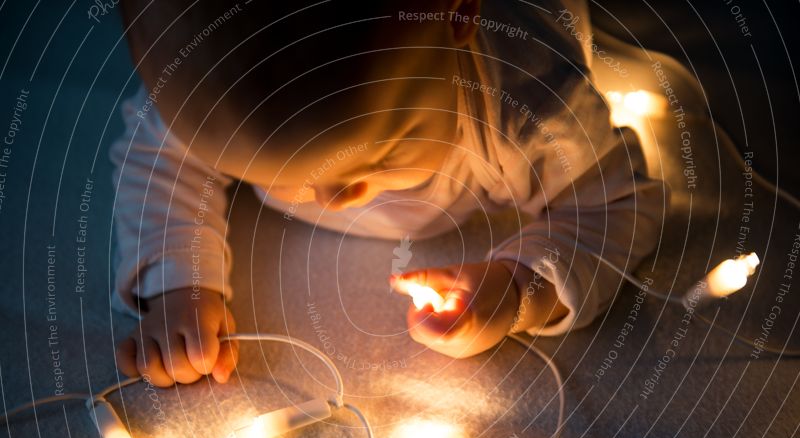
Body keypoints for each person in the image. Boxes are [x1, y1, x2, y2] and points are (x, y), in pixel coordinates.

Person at [110, 0, 667, 387]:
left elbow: (616, 204)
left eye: (380, 155)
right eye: (279, 174)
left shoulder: (529, 107)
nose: (338, 198)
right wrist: (179, 284)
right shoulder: (217, 94)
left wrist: (521, 288)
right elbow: (157, 157)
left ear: (457, 19)